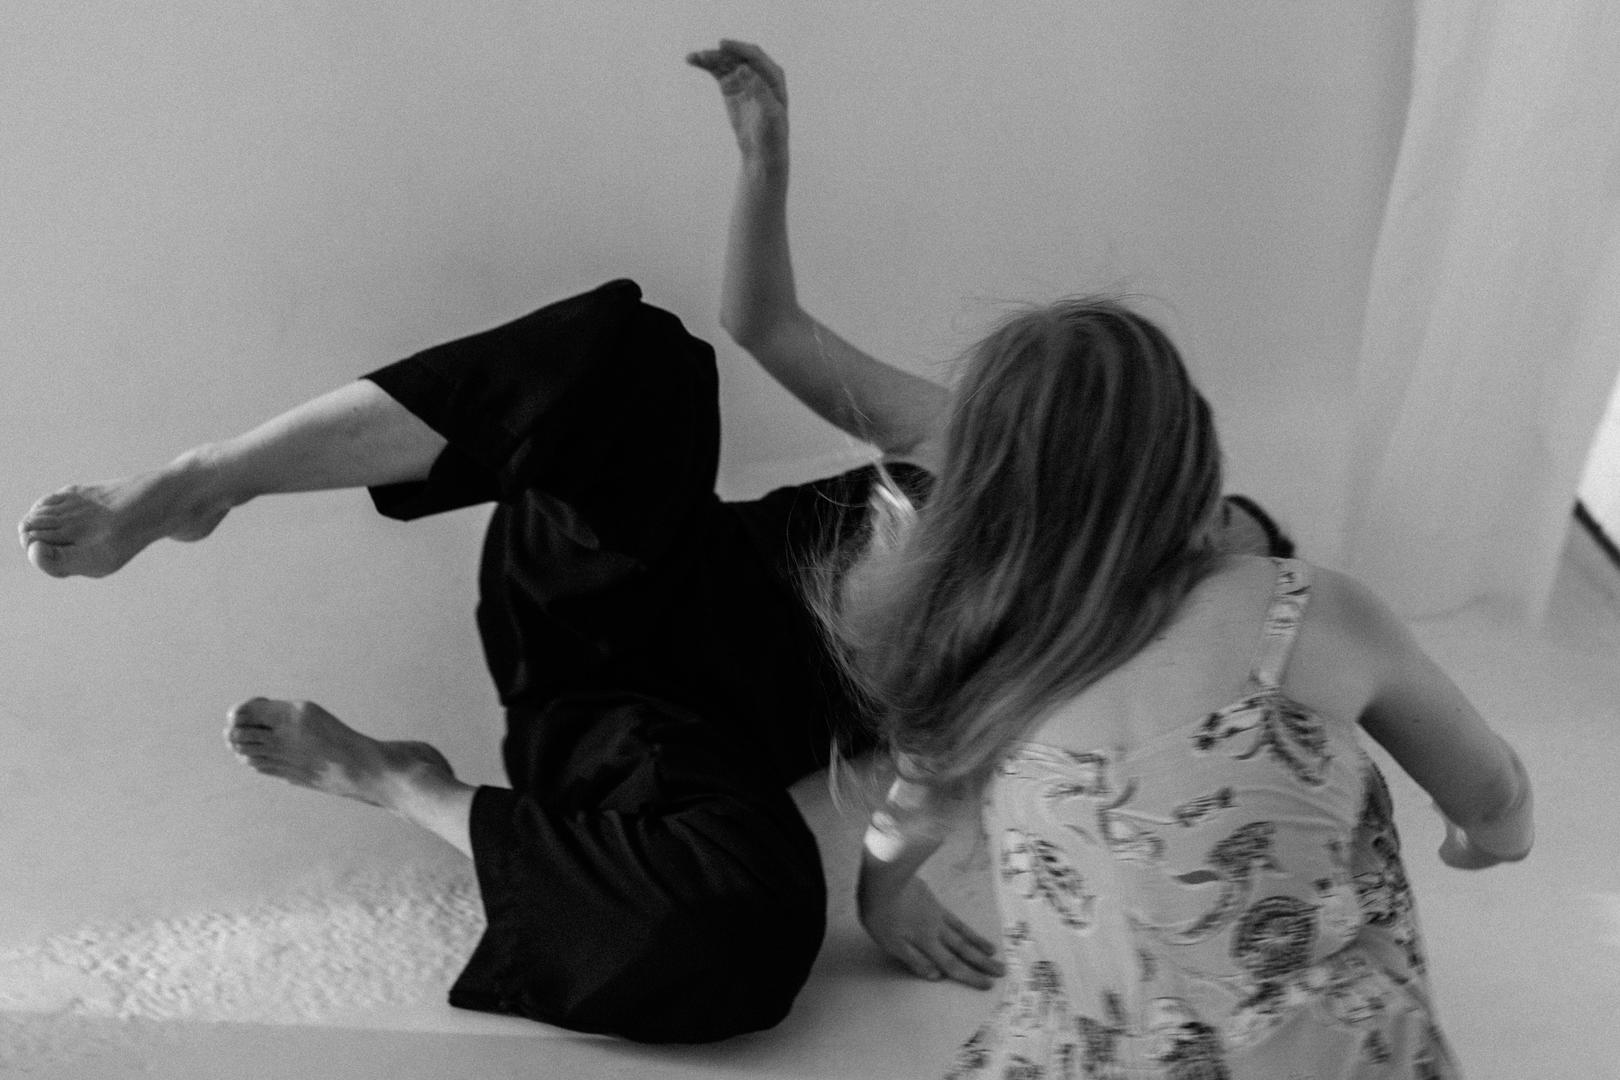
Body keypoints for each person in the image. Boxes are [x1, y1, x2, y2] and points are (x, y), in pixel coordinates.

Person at [15, 41, 1291, 1047]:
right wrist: (766, 158)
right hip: (625, 565)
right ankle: (212, 480)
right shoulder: (972, 437)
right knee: (641, 358)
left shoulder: (1070, 648)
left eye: (1212, 549)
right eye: (1206, 509)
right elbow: (767, 327)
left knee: (754, 931)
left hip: (655, 736)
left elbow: (934, 768)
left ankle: (406, 785)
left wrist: (884, 898)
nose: (1200, 534)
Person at [707, 55, 1538, 1080]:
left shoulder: (981, 642)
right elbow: (1494, 792)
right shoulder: (1306, 609)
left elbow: (907, 814)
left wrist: (883, 901)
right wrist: (1481, 840)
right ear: (1190, 455)